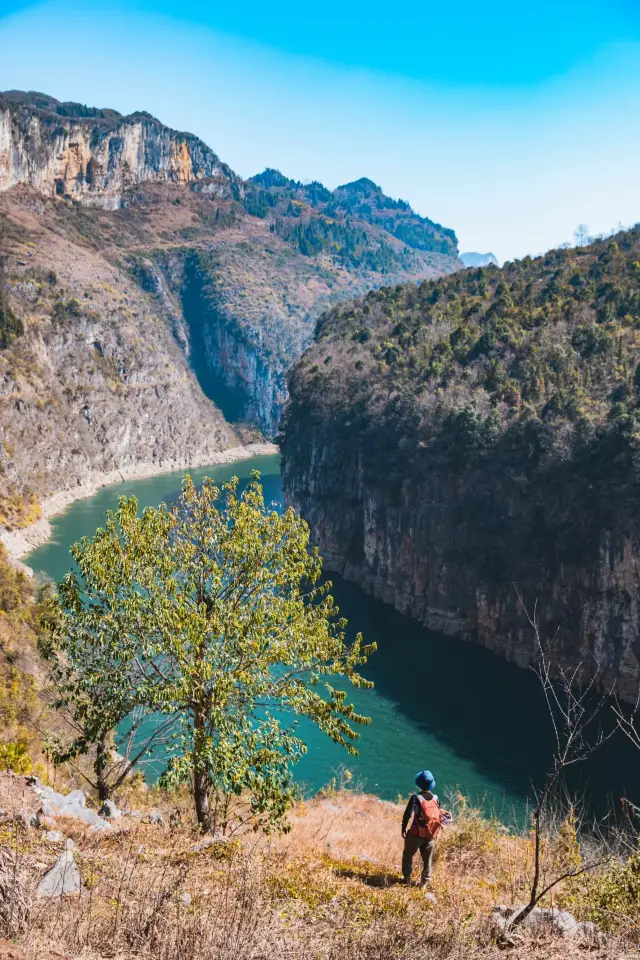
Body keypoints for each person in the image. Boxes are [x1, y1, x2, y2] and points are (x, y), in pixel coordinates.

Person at [401, 769, 452, 886]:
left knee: (408, 855)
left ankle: (407, 878)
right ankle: (425, 882)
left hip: (416, 833)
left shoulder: (415, 798)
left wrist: (403, 829)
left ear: (419, 784)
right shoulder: (436, 798)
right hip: (430, 834)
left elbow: (407, 815)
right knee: (427, 859)